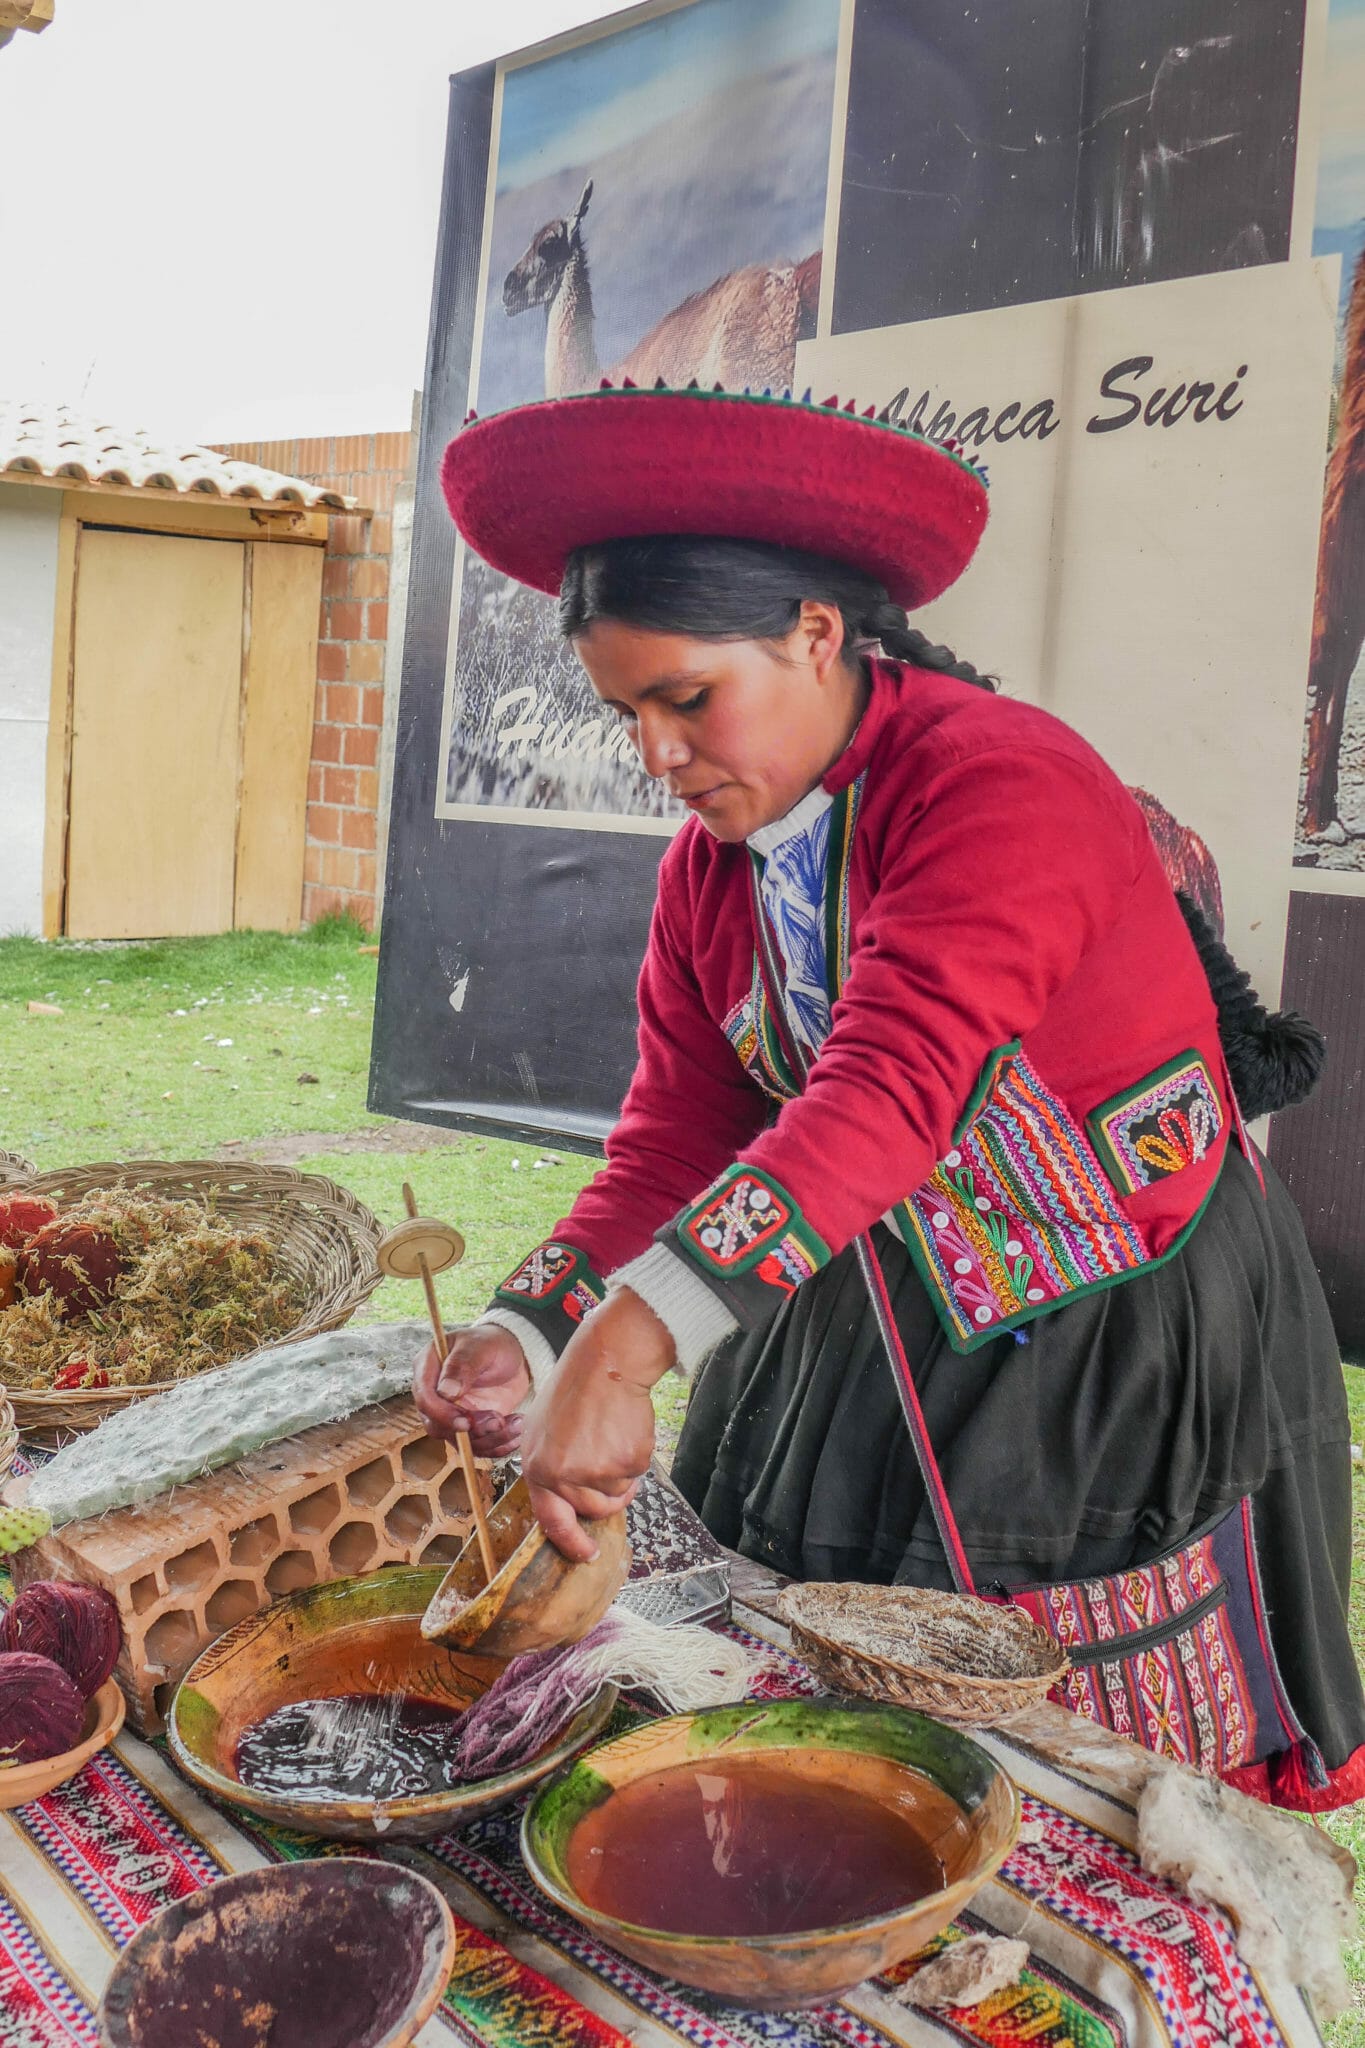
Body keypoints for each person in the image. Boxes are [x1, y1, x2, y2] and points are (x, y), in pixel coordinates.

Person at [416, 384, 1365, 1809]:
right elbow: (677, 1135)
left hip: (1104, 1311)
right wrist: (531, 1324)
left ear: (815, 635)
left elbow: (891, 1086)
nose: (657, 758)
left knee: (1052, 1750)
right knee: (823, 1700)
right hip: (862, 1282)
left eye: (687, 700)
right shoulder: (712, 872)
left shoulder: (1001, 784)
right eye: (627, 713)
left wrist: (622, 1353)